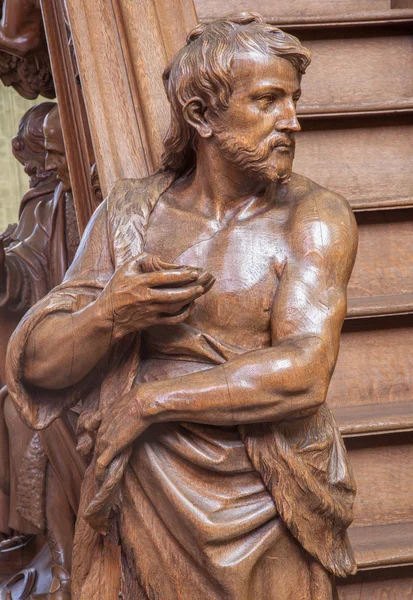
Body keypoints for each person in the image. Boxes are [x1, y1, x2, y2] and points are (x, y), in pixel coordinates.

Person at [7, 14, 358, 600]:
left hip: (267, 495)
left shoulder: (314, 219)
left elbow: (305, 370)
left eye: (293, 101)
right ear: (201, 118)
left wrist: (149, 402)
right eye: (268, 101)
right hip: (147, 497)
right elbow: (38, 366)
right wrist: (110, 313)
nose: (292, 121)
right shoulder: (131, 217)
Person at [1, 104, 83, 599]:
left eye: (48, 158)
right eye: (36, 164)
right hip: (60, 346)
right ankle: (44, 548)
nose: (43, 171)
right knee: (16, 408)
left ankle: (67, 559)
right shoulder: (45, 204)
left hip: (94, 356)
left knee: (38, 418)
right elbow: (28, 275)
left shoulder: (99, 196)